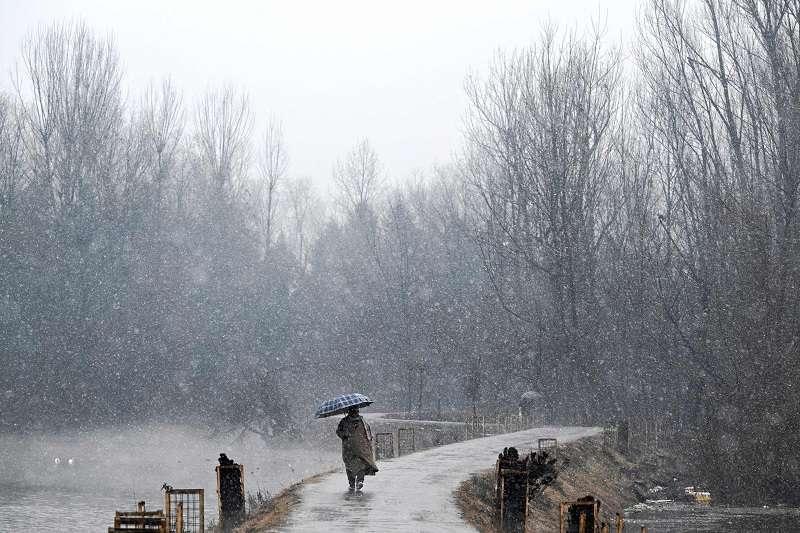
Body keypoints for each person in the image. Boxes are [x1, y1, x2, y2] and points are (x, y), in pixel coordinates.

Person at [336, 407, 379, 491]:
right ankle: (358, 481)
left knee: (351, 465)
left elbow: (338, 432)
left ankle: (353, 483)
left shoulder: (345, 421)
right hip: (359, 447)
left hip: (350, 448)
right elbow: (368, 434)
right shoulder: (362, 421)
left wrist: (345, 435)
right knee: (360, 464)